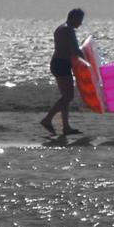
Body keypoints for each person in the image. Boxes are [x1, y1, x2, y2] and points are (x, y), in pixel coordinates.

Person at [40, 8, 86, 136]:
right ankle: (47, 119)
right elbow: (75, 50)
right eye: (80, 20)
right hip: (61, 64)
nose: (80, 23)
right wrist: (90, 62)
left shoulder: (61, 28)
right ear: (73, 18)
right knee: (68, 96)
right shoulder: (68, 30)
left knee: (65, 97)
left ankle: (66, 127)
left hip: (58, 63)